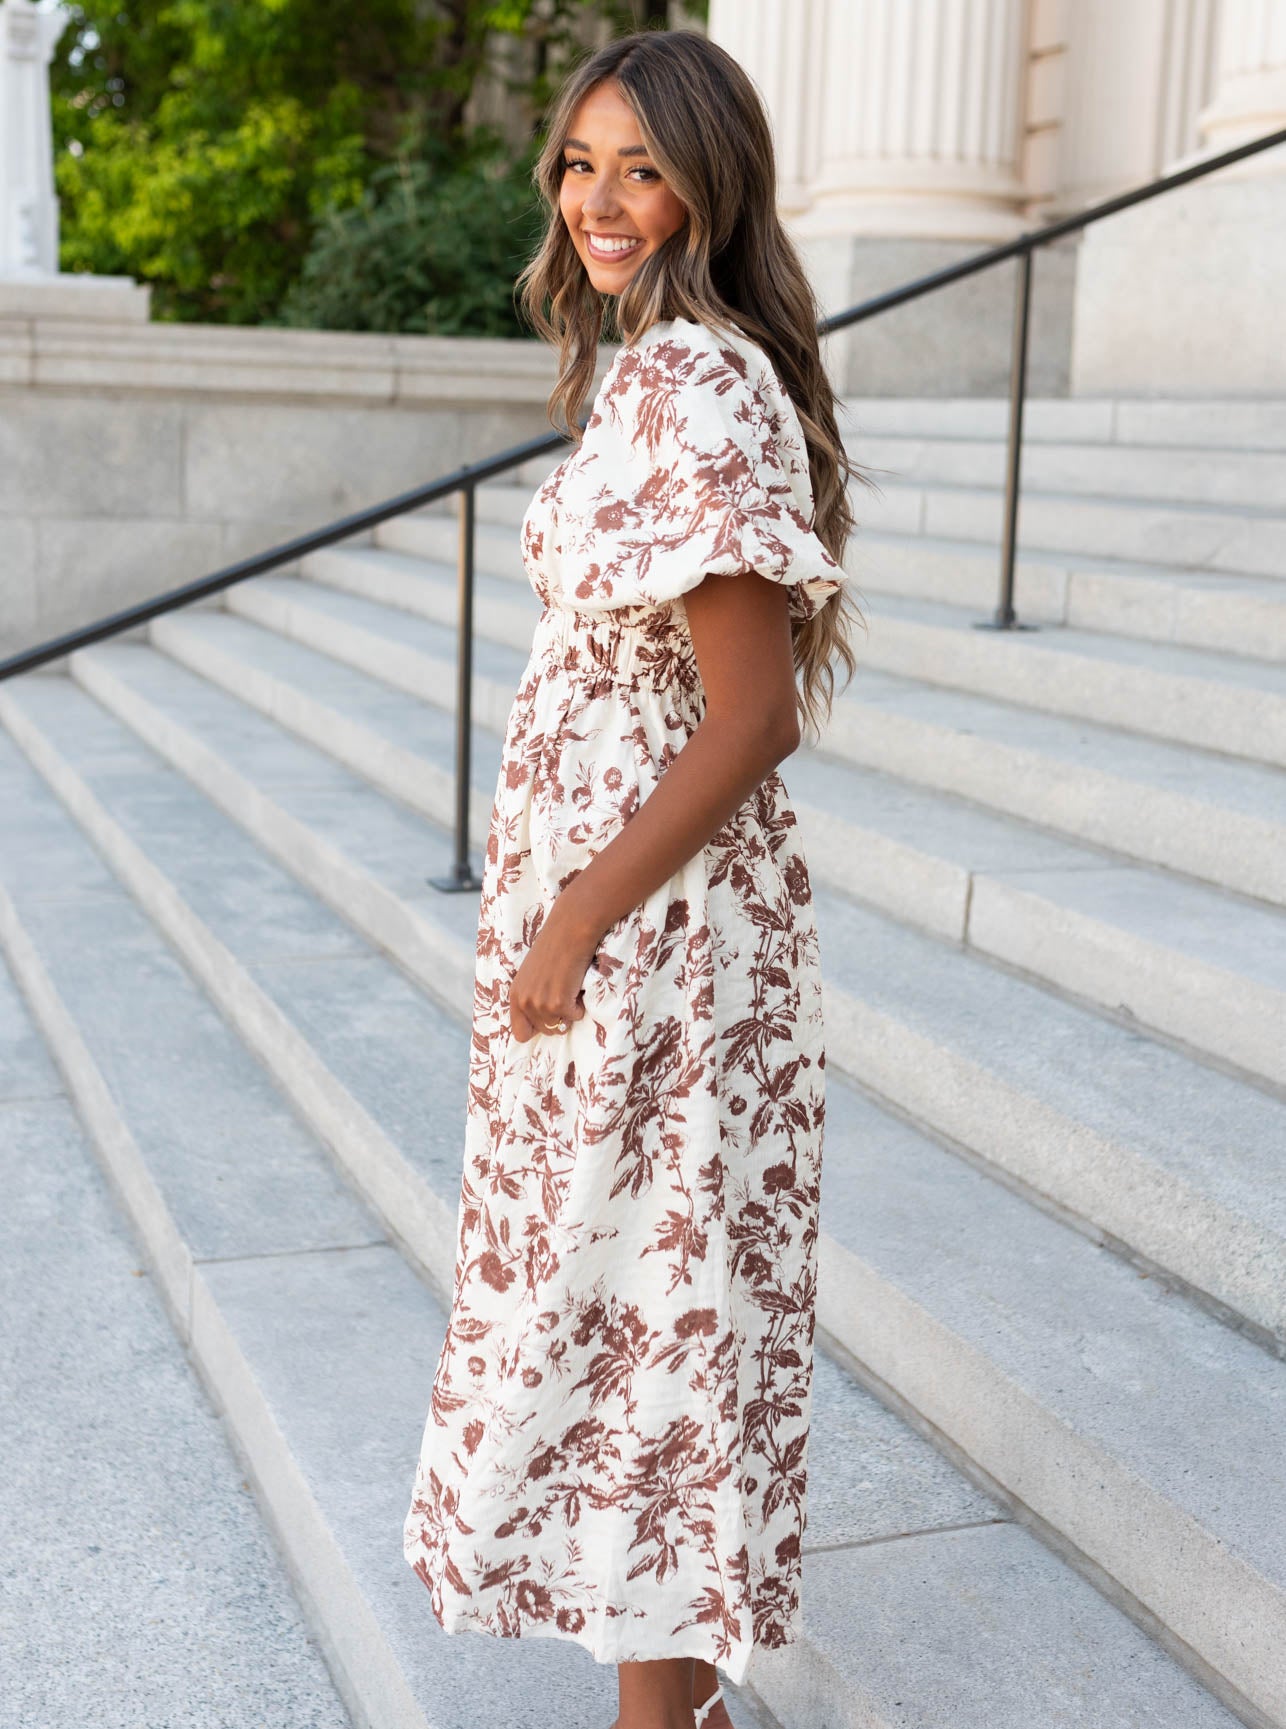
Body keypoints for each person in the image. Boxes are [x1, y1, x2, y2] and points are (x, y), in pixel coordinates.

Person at [403, 26, 863, 1729]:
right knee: (616, 1305)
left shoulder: (706, 380)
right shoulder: (646, 367)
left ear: (707, 184)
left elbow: (749, 719)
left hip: (654, 940)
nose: (600, 199)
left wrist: (579, 912)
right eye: (582, 162)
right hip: (605, 928)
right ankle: (680, 1706)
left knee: (652, 1308)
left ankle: (659, 1719)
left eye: (642, 168)